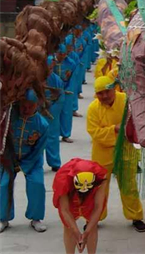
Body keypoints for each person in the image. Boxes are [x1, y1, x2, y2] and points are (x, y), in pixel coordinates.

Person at [86, 77, 145, 232]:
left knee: (129, 185)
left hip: (126, 150)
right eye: (100, 93)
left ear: (114, 89)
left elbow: (137, 122)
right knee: (98, 187)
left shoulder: (127, 102)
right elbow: (95, 133)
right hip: (102, 153)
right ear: (96, 94)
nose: (104, 96)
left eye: (107, 91)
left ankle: (136, 217)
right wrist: (115, 129)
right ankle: (95, 217)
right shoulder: (93, 109)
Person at [0, 90, 49, 233]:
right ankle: (3, 218)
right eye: (23, 106)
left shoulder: (43, 125)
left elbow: (39, 150)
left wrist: (24, 165)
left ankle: (36, 218)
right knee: (3, 184)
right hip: (9, 159)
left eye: (30, 106)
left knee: (37, 183)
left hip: (32, 160)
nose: (26, 109)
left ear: (37, 105)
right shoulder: (10, 118)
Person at [52, 158, 109, 254]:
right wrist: (76, 232)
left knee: (92, 226)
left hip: (91, 194)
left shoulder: (101, 177)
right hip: (71, 193)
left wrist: (86, 232)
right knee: (69, 227)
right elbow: (65, 209)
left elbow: (98, 206)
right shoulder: (62, 180)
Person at [45, 55, 65, 171]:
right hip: (36, 110)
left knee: (53, 136)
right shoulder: (34, 79)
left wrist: (52, 110)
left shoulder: (56, 80)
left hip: (52, 110)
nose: (50, 70)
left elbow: (61, 97)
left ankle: (54, 162)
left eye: (52, 68)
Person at [54, 41, 76, 143]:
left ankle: (66, 134)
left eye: (64, 54)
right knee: (53, 113)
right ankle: (54, 134)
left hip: (66, 89)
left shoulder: (71, 63)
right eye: (60, 54)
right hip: (53, 90)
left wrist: (67, 89)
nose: (62, 56)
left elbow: (72, 78)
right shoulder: (51, 62)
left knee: (66, 112)